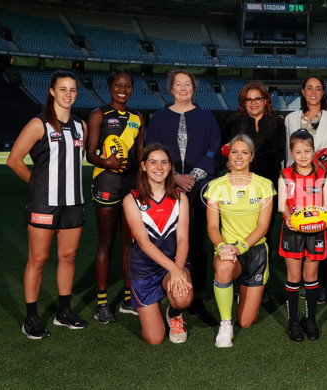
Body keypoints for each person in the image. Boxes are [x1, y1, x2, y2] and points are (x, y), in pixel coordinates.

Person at [7, 70, 89, 339]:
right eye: (63, 89)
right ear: (52, 91)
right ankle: (31, 318)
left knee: (68, 257)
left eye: (73, 90)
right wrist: (37, 184)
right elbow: (14, 160)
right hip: (44, 204)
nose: (68, 94)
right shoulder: (38, 124)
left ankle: (63, 313)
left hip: (74, 203)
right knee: (39, 259)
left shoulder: (81, 126)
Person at [145, 69, 220, 315]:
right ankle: (164, 292)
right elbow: (151, 150)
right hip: (166, 187)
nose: (183, 88)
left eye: (188, 84)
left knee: (198, 243)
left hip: (198, 190)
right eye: (178, 84)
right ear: (171, 88)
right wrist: (174, 176)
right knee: (166, 241)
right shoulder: (158, 118)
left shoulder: (207, 117)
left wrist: (193, 177)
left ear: (193, 88)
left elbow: (213, 150)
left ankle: (196, 296)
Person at [204, 134, 275, 348]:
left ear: (251, 156)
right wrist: (224, 247)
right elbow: (213, 227)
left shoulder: (264, 185)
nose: (239, 156)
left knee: (246, 321)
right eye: (234, 152)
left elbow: (263, 227)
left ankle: (237, 297)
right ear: (228, 155)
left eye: (244, 152)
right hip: (227, 252)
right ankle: (226, 324)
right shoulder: (216, 186)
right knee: (224, 268)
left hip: (255, 253)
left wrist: (240, 247)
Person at [87, 69, 144, 323]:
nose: (123, 89)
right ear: (110, 86)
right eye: (119, 85)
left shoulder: (138, 118)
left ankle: (129, 299)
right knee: (106, 244)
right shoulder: (99, 114)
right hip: (107, 183)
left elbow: (141, 156)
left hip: (131, 187)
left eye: (128, 85)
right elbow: (90, 155)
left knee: (130, 244)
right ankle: (102, 304)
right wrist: (107, 163)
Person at [284, 75, 327, 303]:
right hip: (298, 185)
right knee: (298, 231)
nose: (313, 92)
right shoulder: (291, 118)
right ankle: (298, 279)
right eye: (309, 88)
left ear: (323, 93)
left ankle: (319, 284)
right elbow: (287, 152)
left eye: (318, 88)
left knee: (325, 234)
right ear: (302, 91)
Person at [221, 82, 285, 302]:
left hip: (266, 187)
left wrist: (247, 161)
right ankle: (237, 282)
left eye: (259, 98)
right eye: (249, 99)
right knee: (234, 232)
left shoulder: (277, 123)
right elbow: (223, 150)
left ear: (266, 101)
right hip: (237, 186)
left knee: (263, 236)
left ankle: (260, 283)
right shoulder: (233, 122)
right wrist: (235, 163)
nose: (254, 103)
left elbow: (278, 154)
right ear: (243, 102)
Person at [123, 144, 192, 344]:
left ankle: (174, 313)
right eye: (153, 162)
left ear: (171, 167)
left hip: (173, 264)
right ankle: (151, 306)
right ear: (144, 166)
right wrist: (176, 271)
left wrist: (177, 271)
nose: (159, 167)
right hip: (143, 271)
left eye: (164, 162)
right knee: (154, 338)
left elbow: (182, 239)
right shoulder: (131, 200)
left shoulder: (180, 198)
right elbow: (144, 244)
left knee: (182, 296)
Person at [278, 130, 327, 342]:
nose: (303, 156)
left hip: (316, 231)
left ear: (314, 151)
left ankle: (310, 320)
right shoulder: (284, 174)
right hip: (292, 230)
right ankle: (293, 321)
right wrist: (290, 217)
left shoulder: (324, 175)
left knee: (311, 277)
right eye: (298, 151)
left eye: (307, 151)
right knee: (293, 277)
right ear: (291, 152)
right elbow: (282, 204)